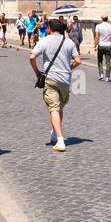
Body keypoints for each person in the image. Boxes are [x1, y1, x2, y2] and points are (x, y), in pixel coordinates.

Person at [30, 18, 81, 153]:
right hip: (65, 79)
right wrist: (69, 68)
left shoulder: (45, 40)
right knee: (59, 107)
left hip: (51, 78)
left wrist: (36, 71)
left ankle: (60, 140)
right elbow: (78, 61)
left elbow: (32, 56)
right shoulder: (69, 42)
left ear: (49, 29)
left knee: (53, 108)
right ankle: (54, 133)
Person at [94, 15, 111, 81]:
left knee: (100, 60)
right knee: (108, 62)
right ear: (107, 19)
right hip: (108, 45)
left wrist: (95, 45)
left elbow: (97, 37)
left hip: (101, 45)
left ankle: (101, 74)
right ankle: (107, 77)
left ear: (102, 19)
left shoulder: (98, 26)